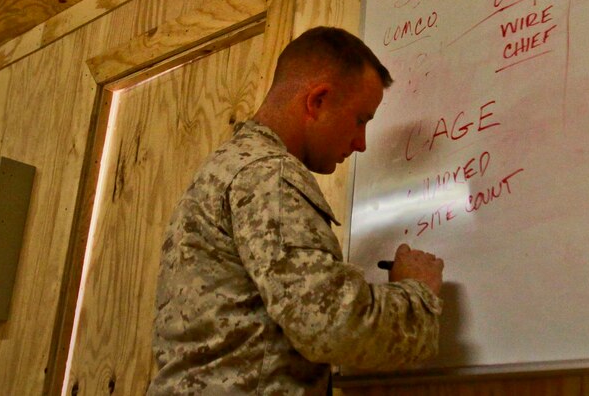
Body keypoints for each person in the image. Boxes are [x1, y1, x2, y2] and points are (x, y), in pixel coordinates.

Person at [147, 27, 444, 395]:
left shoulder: (231, 166)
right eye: (360, 120)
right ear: (317, 101)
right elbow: (328, 323)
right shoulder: (270, 174)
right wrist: (416, 294)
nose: (361, 143)